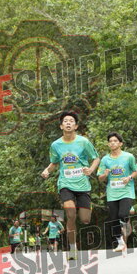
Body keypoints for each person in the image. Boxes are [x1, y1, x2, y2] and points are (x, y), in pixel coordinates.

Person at [41, 111, 99, 261]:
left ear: (76, 126)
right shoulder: (56, 145)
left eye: (71, 121)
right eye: (65, 121)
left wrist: (91, 170)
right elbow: (54, 162)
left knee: (85, 219)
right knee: (71, 214)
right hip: (65, 183)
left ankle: (87, 207)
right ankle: (72, 248)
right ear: (61, 126)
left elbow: (96, 158)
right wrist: (47, 170)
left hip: (82, 184)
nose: (68, 123)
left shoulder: (84, 142)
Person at [98, 132, 137, 252]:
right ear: (108, 144)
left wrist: (129, 177)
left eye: (115, 141)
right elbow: (100, 178)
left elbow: (136, 171)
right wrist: (105, 175)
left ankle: (126, 215)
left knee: (123, 215)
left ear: (120, 143)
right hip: (112, 192)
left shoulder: (128, 157)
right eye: (110, 141)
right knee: (113, 219)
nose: (112, 143)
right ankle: (120, 242)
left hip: (126, 191)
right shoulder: (105, 159)